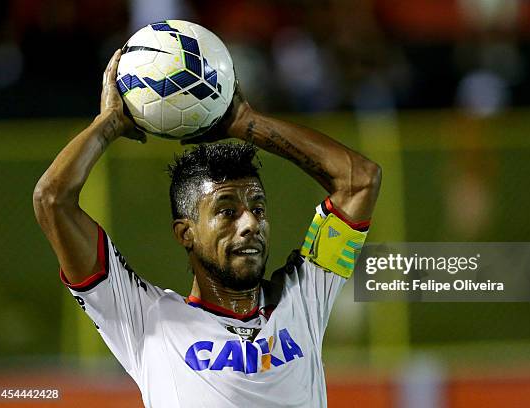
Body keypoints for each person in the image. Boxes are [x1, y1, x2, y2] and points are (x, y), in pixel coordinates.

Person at [33, 49, 381, 407]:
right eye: (227, 211)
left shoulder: (305, 298)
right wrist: (109, 123)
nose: (250, 223)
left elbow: (360, 181)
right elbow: (52, 201)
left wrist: (248, 124)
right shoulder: (145, 319)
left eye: (258, 208)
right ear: (186, 233)